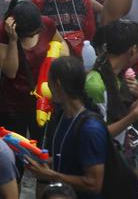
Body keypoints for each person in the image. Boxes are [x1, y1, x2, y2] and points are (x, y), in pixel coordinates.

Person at [28, 57, 110, 197]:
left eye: (49, 81)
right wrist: (46, 161)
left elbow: (94, 184)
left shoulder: (90, 129)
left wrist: (51, 175)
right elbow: (73, 157)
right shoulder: (62, 116)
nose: (46, 86)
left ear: (58, 84)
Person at [0, 0, 67, 144]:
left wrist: (57, 67)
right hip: (12, 105)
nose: (34, 36)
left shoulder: (46, 23)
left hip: (43, 102)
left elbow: (60, 43)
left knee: (46, 148)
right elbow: (10, 72)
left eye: (37, 32)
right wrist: (13, 40)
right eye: (29, 34)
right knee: (14, 154)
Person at [85, 19, 138, 139]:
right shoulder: (96, 85)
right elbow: (97, 135)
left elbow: (136, 125)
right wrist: (135, 115)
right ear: (133, 49)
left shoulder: (122, 76)